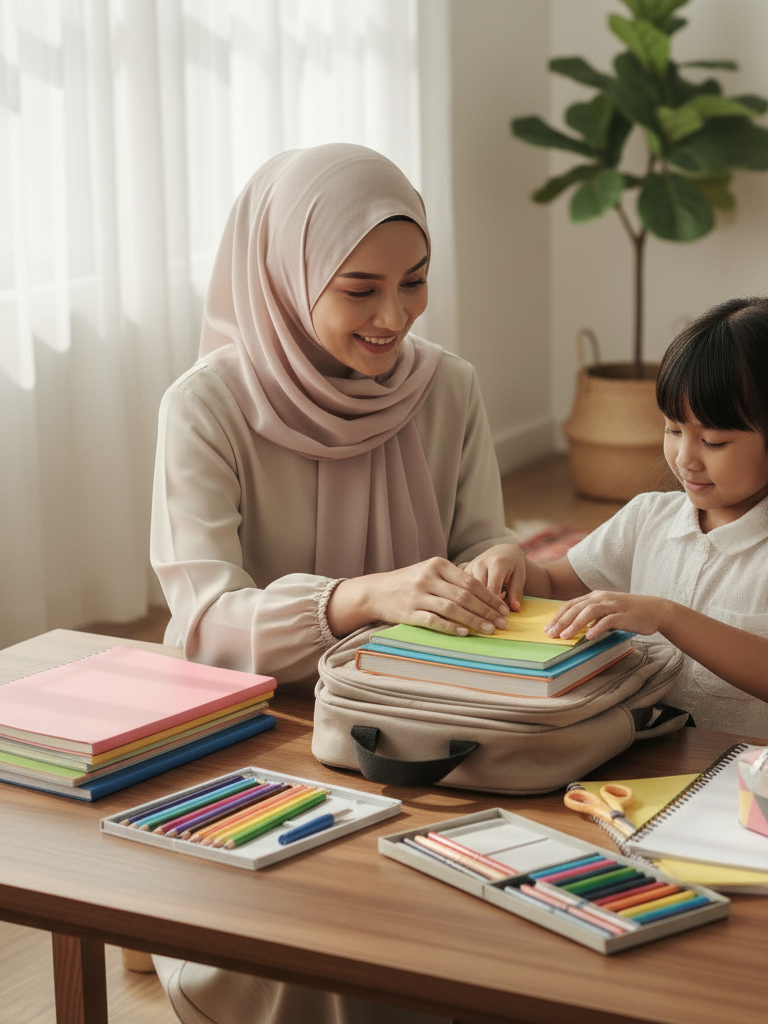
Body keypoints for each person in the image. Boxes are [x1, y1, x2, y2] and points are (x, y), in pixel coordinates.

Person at [149, 143, 516, 1024]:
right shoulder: (205, 406)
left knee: (506, 909)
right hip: (260, 728)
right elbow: (203, 625)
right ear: (288, 276)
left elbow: (484, 540)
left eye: (415, 282)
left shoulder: (448, 386)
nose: (395, 316)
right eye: (360, 289)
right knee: (317, 948)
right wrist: (359, 598)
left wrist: (501, 563)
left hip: (422, 719)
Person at [467, 297, 768, 741]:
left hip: (755, 775)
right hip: (647, 760)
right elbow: (554, 586)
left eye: (713, 442)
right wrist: (512, 561)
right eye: (673, 429)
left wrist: (665, 615)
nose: (685, 458)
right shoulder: (647, 518)